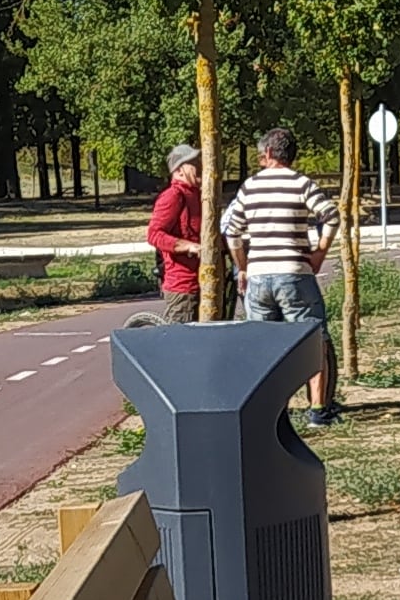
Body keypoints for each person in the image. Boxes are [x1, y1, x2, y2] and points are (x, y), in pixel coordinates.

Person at [221, 125, 342, 425]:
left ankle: (270, 413)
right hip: (294, 273)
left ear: (270, 153)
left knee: (262, 347)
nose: (260, 160)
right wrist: (319, 253)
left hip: (259, 276)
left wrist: (244, 267)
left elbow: (232, 231)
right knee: (312, 339)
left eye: (261, 156)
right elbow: (331, 216)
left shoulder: (249, 188)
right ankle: (318, 410)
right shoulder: (301, 183)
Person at [147, 143, 204, 324]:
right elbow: (154, 234)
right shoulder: (173, 196)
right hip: (183, 287)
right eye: (194, 163)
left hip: (203, 282)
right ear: (179, 171)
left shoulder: (199, 195)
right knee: (182, 346)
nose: (200, 166)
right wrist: (188, 246)